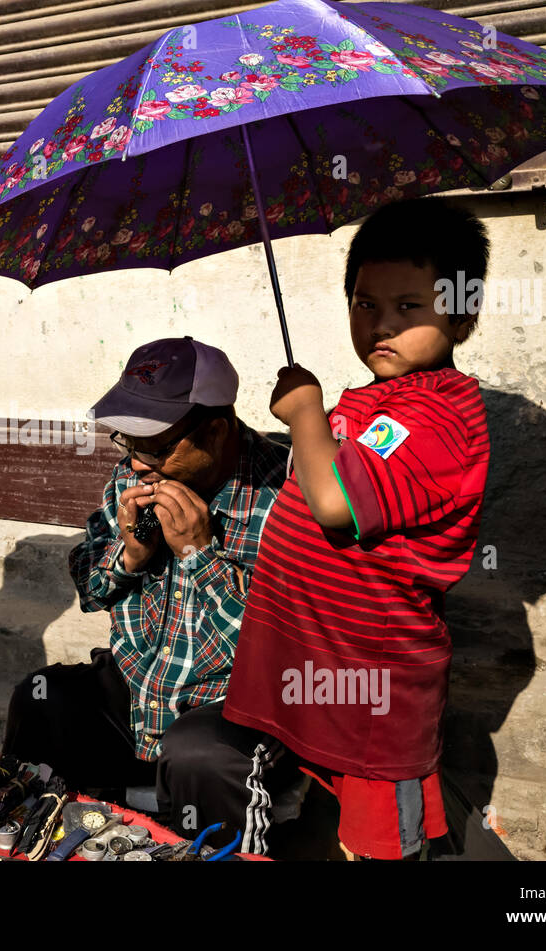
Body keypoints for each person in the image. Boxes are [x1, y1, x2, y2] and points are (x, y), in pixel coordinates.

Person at [216, 197, 492, 860]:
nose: (380, 326)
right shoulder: (375, 398)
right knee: (341, 823)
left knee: (385, 843)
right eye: (365, 304)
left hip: (375, 689)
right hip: (330, 667)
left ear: (464, 311)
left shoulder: (441, 418)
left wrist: (305, 413)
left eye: (407, 307)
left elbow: (336, 503)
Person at [1, 335, 290, 846]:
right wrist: (130, 557)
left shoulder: (287, 497)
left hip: (232, 707)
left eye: (156, 448)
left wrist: (200, 556)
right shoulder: (130, 478)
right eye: (127, 443)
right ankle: (40, 838)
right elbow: (91, 587)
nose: (136, 465)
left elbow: (281, 646)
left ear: (217, 432)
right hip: (138, 692)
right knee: (42, 699)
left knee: (201, 756)